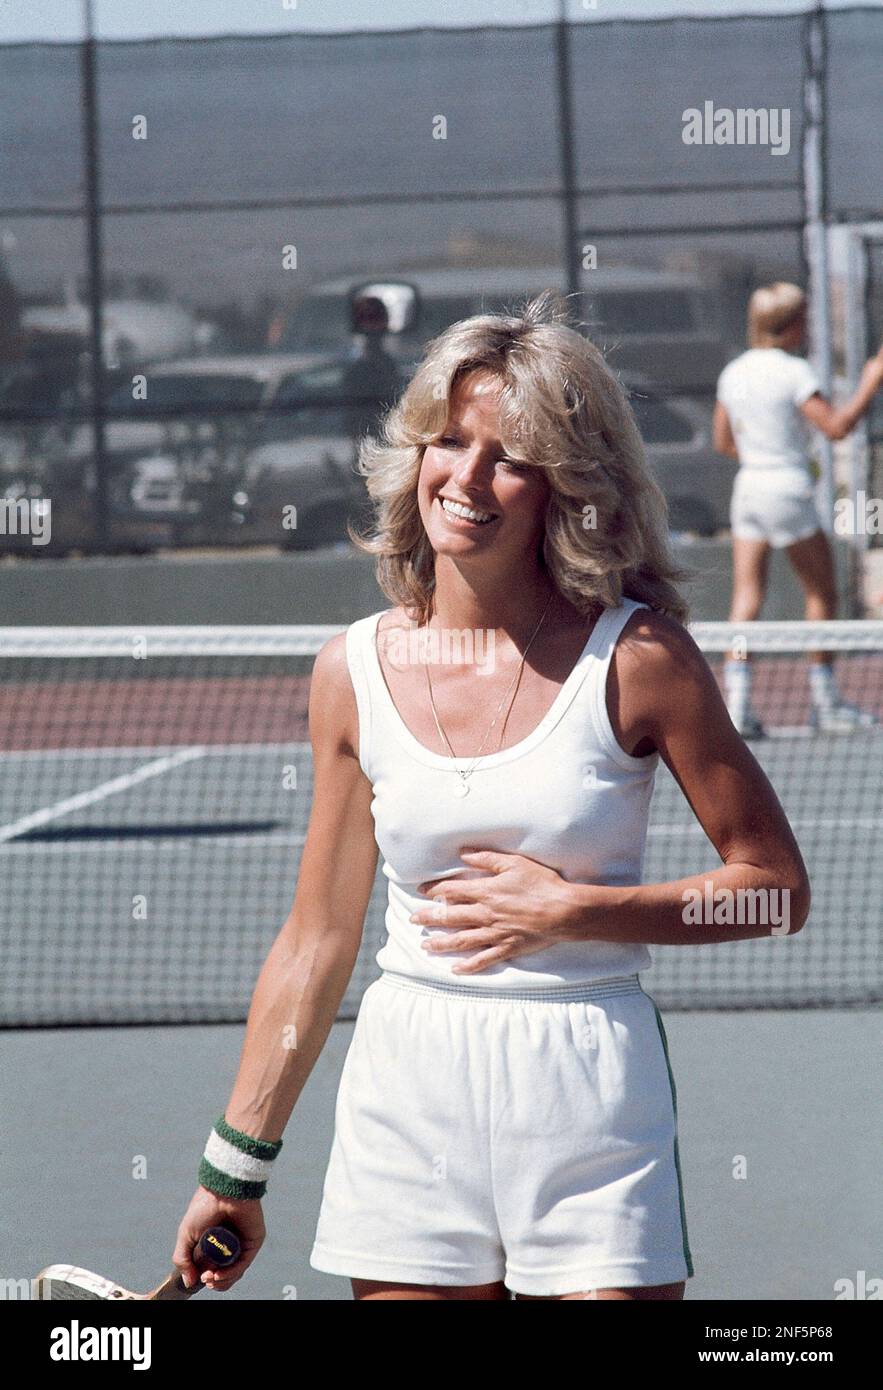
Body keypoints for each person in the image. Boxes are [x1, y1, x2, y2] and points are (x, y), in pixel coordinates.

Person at [173, 291, 811, 1301]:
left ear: (566, 487)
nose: (466, 477)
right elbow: (317, 936)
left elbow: (775, 889)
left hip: (587, 1084)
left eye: (509, 456)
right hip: (407, 1088)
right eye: (448, 440)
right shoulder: (350, 669)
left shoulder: (640, 659)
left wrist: (580, 911)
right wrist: (235, 1165)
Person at [713, 281, 883, 736]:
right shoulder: (794, 372)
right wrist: (872, 378)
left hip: (748, 489)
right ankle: (826, 703)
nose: (808, 327)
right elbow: (837, 427)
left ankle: (737, 706)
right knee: (822, 594)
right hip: (786, 491)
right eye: (804, 319)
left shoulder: (734, 372)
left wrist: (765, 458)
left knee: (746, 600)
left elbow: (723, 442)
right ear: (786, 327)